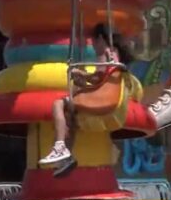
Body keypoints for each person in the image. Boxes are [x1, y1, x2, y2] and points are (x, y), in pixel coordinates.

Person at [39, 24, 132, 167]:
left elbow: (97, 78)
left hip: (103, 97)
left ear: (100, 38)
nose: (93, 46)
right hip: (108, 95)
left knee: (58, 104)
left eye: (94, 42)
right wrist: (83, 81)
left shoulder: (106, 52)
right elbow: (100, 79)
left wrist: (80, 73)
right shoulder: (115, 53)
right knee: (71, 116)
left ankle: (59, 146)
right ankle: (66, 157)